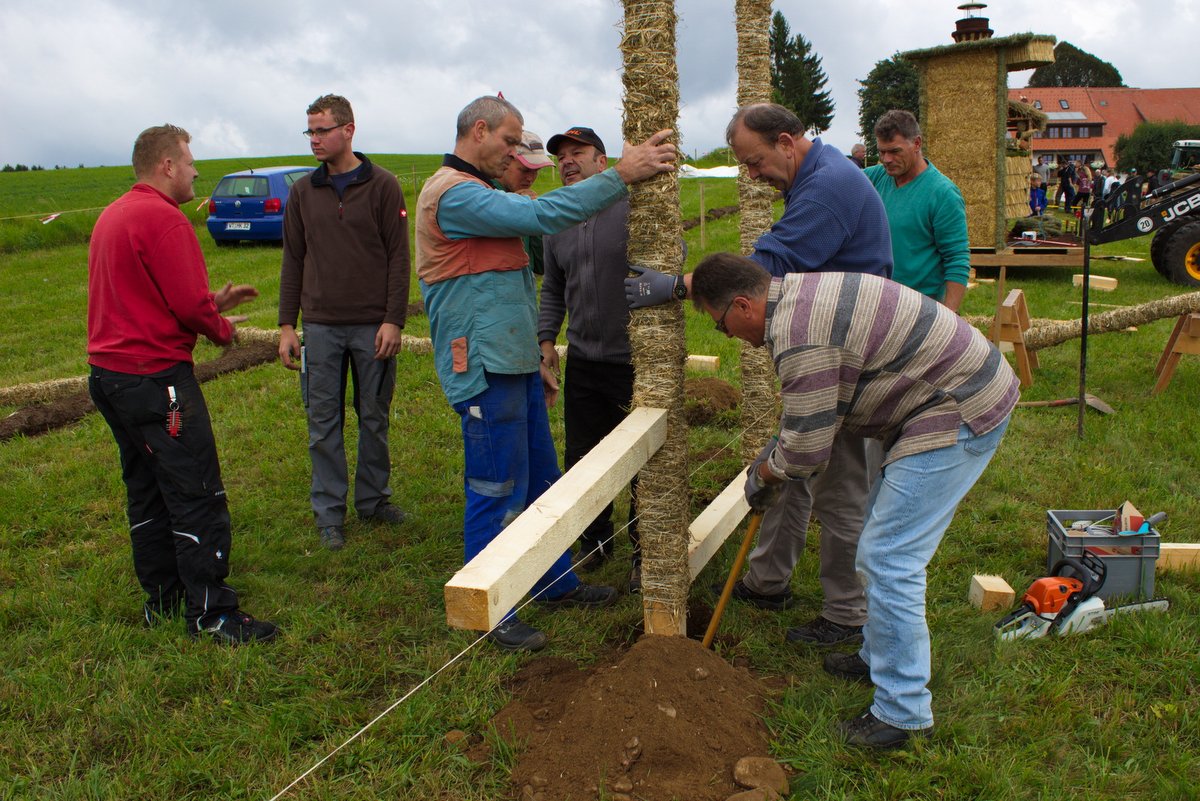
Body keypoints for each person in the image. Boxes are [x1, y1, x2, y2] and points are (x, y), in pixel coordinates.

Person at [691, 251, 1018, 749]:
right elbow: (810, 414)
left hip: (957, 408)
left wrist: (763, 474)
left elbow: (805, 452)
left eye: (721, 327)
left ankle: (902, 713)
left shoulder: (801, 336)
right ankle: (876, 656)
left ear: (742, 306)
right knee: (878, 541)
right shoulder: (796, 296)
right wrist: (775, 456)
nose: (729, 338)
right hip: (940, 395)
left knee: (889, 557)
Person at [625, 103, 892, 648]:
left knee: (839, 491)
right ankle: (769, 582)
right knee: (788, 464)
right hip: (822, 345)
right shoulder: (819, 177)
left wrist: (680, 285)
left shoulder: (828, 188)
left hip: (844, 360)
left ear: (788, 142)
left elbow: (767, 265)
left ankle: (847, 615)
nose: (752, 174)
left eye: (755, 161)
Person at [415, 95, 676, 651]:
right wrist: (620, 175)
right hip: (484, 367)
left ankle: (557, 579)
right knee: (494, 484)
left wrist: (539, 350)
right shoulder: (452, 193)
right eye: (510, 142)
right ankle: (491, 605)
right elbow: (539, 216)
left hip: (513, 363)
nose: (516, 153)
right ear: (479, 131)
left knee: (541, 481)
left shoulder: (480, 192)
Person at [87, 124, 277, 644]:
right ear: (167, 165)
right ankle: (213, 615)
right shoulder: (164, 219)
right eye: (189, 160)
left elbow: (150, 298)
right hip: (155, 380)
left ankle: (163, 601)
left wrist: (211, 303)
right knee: (195, 491)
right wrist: (221, 328)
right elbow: (187, 310)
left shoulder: (115, 215)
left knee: (147, 490)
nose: (196, 171)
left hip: (110, 378)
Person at [278, 94, 411, 552]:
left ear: (348, 130)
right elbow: (292, 259)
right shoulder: (301, 192)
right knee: (322, 423)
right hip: (320, 327)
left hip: (373, 326)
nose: (314, 139)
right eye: (309, 131)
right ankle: (329, 515)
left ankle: (373, 501)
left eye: (322, 130)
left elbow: (399, 257)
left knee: (373, 416)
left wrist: (394, 319)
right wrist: (286, 326)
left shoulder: (384, 185)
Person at [537, 126, 640, 591]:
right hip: (583, 358)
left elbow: (669, 255)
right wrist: (545, 340)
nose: (567, 162)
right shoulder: (556, 220)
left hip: (636, 360)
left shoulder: (634, 208)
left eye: (578, 153)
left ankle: (647, 547)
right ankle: (596, 541)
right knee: (582, 457)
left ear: (604, 162)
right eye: (561, 156)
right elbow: (554, 287)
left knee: (644, 458)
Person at [866, 110, 970, 312]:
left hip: (920, 309)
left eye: (895, 151)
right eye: (881, 152)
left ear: (917, 144)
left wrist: (947, 320)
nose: (886, 159)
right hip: (877, 303)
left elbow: (957, 260)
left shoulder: (943, 194)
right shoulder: (875, 178)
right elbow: (837, 180)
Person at [494, 129, 554, 275]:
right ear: (505, 161)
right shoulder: (483, 197)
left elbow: (541, 265)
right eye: (525, 170)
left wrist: (534, 215)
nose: (531, 178)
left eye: (536, 170)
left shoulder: (525, 201)